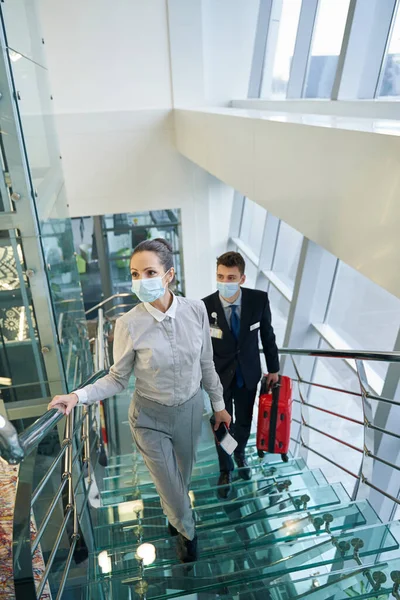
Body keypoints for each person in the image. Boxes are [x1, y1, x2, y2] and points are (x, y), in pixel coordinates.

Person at [48, 238, 230, 563]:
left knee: (181, 481)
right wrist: (78, 396)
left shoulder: (197, 310)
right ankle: (188, 535)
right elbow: (117, 378)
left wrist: (218, 405)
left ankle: (174, 516)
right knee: (173, 488)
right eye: (134, 273)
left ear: (169, 274)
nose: (140, 280)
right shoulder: (128, 324)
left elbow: (206, 363)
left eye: (149, 271)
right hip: (149, 420)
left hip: (190, 412)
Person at [202, 251, 279, 499]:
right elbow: (200, 347)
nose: (225, 282)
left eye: (231, 277)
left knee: (244, 422)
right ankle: (226, 468)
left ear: (242, 278)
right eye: (220, 276)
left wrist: (274, 369)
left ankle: (240, 453)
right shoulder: (205, 306)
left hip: (248, 374)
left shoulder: (258, 301)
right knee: (223, 426)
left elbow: (267, 336)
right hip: (219, 379)